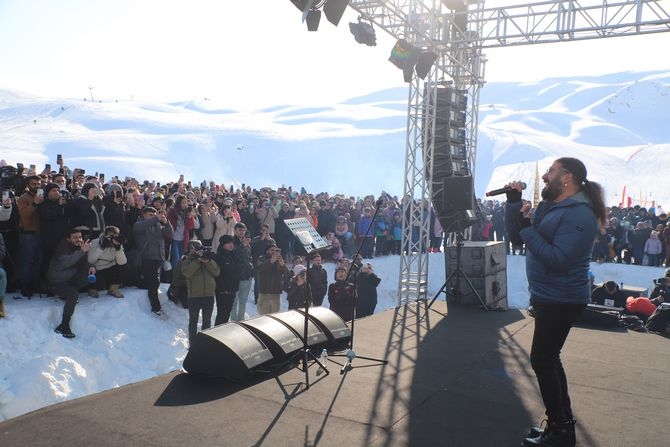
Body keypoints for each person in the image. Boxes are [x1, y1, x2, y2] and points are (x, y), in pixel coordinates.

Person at [506, 157, 606, 447]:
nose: (545, 176)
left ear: (567, 178)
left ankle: (561, 430)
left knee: (542, 359)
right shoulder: (551, 207)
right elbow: (517, 237)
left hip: (563, 298)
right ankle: (562, 427)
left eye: (551, 171)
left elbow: (559, 259)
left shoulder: (580, 215)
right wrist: (514, 204)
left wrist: (527, 229)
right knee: (548, 358)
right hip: (548, 294)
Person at [47, 228, 95, 338]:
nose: (78, 240)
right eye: (75, 237)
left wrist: (91, 267)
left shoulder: (80, 248)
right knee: (73, 294)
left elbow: (84, 263)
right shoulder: (62, 248)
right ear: (69, 239)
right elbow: (66, 262)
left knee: (87, 276)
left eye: (80, 237)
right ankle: (64, 325)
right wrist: (82, 251)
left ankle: (67, 295)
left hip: (68, 279)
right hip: (56, 281)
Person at [133, 206, 174, 318]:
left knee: (155, 283)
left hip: (158, 258)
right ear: (144, 215)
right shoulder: (139, 224)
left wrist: (166, 223)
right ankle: (156, 308)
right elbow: (139, 228)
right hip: (146, 258)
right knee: (153, 283)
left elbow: (170, 235)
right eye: (150, 215)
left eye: (154, 214)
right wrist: (156, 219)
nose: (153, 216)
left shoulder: (158, 225)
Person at [181, 240, 220, 347]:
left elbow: (216, 272)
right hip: (194, 296)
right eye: (194, 248)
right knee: (193, 321)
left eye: (199, 247)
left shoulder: (208, 258)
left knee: (207, 322)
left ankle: (204, 344)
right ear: (190, 249)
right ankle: (192, 345)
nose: (197, 250)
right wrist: (197, 261)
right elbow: (187, 273)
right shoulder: (187, 259)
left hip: (209, 295)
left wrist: (207, 261)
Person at [87, 225, 127, 298]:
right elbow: (91, 260)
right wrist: (102, 247)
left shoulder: (118, 243)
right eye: (110, 237)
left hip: (110, 266)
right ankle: (92, 290)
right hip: (97, 268)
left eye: (114, 237)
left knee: (123, 267)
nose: (112, 239)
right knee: (91, 272)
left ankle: (113, 289)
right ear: (105, 235)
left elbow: (122, 262)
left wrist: (118, 248)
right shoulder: (95, 242)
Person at [255, 243, 288, 315]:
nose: (274, 252)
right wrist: (270, 261)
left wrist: (283, 265)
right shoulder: (262, 258)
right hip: (264, 294)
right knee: (263, 318)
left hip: (276, 294)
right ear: (267, 251)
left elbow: (287, 275)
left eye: (276, 250)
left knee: (274, 318)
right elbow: (259, 268)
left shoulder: (279, 260)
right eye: (272, 250)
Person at [214, 234, 239, 325]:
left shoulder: (233, 255)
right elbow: (218, 275)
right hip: (222, 291)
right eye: (228, 243)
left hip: (232, 290)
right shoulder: (219, 256)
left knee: (226, 314)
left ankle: (222, 335)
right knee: (221, 314)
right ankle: (216, 336)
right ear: (223, 244)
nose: (231, 245)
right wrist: (223, 289)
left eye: (232, 243)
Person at [231, 224, 253, 321]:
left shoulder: (246, 242)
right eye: (240, 230)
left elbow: (249, 257)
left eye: (244, 230)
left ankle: (241, 321)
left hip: (247, 276)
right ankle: (234, 321)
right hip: (235, 277)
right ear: (235, 230)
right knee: (234, 302)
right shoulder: (231, 241)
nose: (242, 232)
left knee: (243, 302)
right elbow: (234, 256)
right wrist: (243, 246)